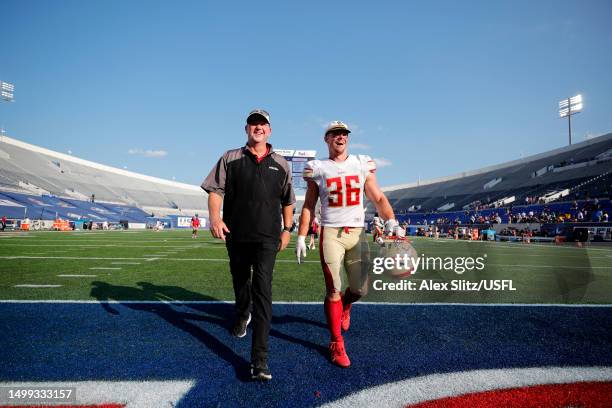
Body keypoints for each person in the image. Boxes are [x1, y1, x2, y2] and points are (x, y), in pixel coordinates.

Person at [202, 108, 295, 381]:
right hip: (237, 234)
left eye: (263, 124)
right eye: (254, 123)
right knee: (241, 281)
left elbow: (288, 201)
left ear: (270, 130)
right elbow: (215, 191)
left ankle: (259, 361)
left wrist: (287, 229)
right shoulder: (229, 158)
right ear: (246, 129)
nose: (258, 127)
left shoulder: (282, 164)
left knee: (263, 290)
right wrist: (214, 218)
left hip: (268, 238)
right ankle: (242, 312)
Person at [295, 120, 397, 368]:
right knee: (333, 288)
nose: (340, 137)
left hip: (357, 232)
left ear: (348, 138)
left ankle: (347, 305)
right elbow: (309, 205)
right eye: (335, 134)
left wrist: (391, 219)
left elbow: (378, 196)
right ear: (326, 139)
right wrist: (301, 235)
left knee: (360, 289)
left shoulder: (362, 164)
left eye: (344, 134)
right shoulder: (317, 168)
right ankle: (336, 342)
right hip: (331, 233)